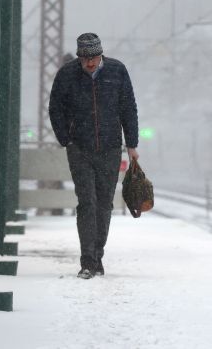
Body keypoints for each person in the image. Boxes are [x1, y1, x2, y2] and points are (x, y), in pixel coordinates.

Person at [48, 33, 140, 279]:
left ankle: (97, 255)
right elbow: (55, 107)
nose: (89, 63)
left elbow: (128, 107)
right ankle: (88, 261)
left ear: (101, 54)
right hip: (79, 148)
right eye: (84, 59)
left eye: (94, 58)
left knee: (104, 204)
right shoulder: (67, 74)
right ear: (79, 58)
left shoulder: (117, 71)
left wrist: (131, 143)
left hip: (110, 148)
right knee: (86, 202)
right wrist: (64, 138)